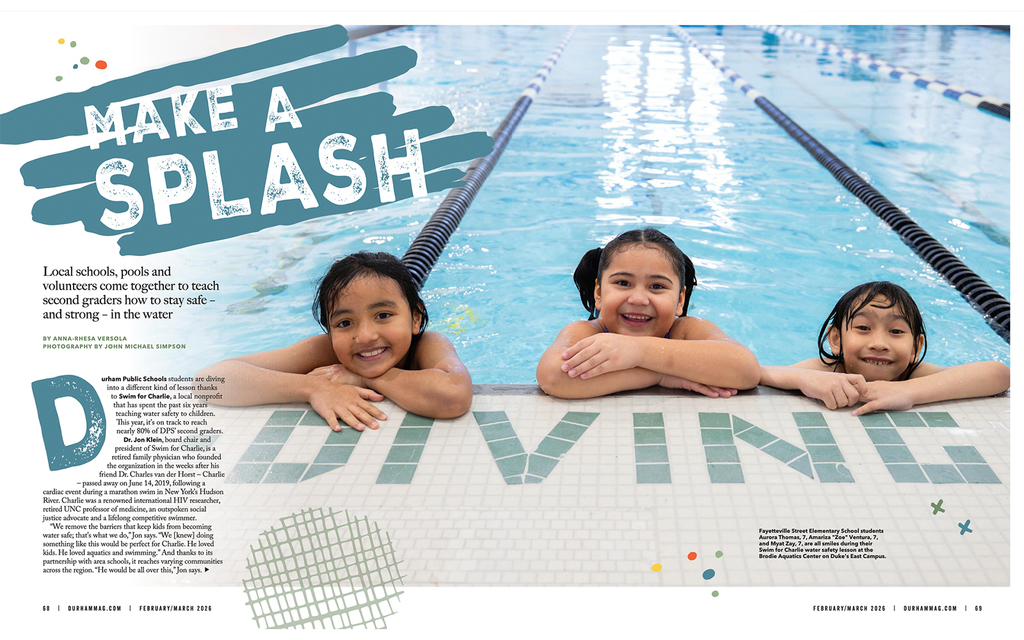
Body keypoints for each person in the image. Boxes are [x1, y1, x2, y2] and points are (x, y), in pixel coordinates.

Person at [197, 252, 472, 431]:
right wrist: (312, 387)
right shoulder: (324, 350)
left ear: (415, 318)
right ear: (329, 329)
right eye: (344, 323)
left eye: (384, 315)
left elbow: (454, 395)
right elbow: (209, 382)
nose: (364, 336)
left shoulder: (428, 344)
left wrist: (365, 379)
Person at [536, 228, 760, 399]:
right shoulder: (586, 332)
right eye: (623, 283)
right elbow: (552, 376)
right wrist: (659, 375)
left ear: (679, 300)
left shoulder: (685, 330)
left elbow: (745, 368)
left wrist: (638, 351)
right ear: (599, 293)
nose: (638, 299)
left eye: (657, 286)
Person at [758, 281, 1010, 415]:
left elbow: (998, 374)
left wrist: (908, 391)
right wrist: (804, 378)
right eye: (863, 328)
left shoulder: (913, 373)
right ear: (836, 341)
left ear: (915, 347)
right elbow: (758, 373)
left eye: (896, 332)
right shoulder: (828, 370)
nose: (879, 343)